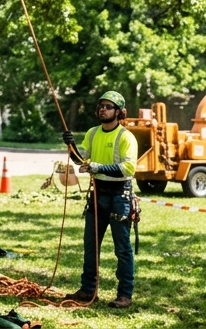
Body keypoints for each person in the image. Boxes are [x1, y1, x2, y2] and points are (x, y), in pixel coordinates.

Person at [61, 90, 138, 309]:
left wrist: (98, 167)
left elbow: (129, 168)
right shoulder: (93, 133)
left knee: (122, 248)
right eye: (101, 106)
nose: (103, 109)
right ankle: (88, 290)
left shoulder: (126, 137)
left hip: (120, 195)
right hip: (97, 194)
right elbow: (81, 160)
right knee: (91, 246)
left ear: (119, 112)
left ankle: (124, 294)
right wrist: (71, 147)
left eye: (108, 106)